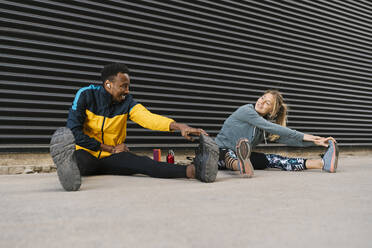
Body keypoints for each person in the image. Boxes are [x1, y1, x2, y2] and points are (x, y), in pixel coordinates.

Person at [50, 63, 219, 191]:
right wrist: (109, 148)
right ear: (108, 85)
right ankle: (69, 169)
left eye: (128, 86)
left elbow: (148, 118)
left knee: (143, 163)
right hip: (86, 153)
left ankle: (195, 170)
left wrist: (178, 126)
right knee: (81, 161)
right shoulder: (86, 95)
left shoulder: (127, 103)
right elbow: (73, 132)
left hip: (112, 156)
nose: (127, 90)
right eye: (123, 86)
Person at [215, 90, 339, 177]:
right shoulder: (246, 110)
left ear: (272, 111)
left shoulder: (261, 126)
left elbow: (288, 140)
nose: (261, 102)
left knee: (274, 159)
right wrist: (305, 135)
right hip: (218, 154)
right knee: (229, 154)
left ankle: (321, 163)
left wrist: (316, 142)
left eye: (267, 103)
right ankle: (240, 165)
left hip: (242, 156)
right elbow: (273, 127)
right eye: (263, 98)